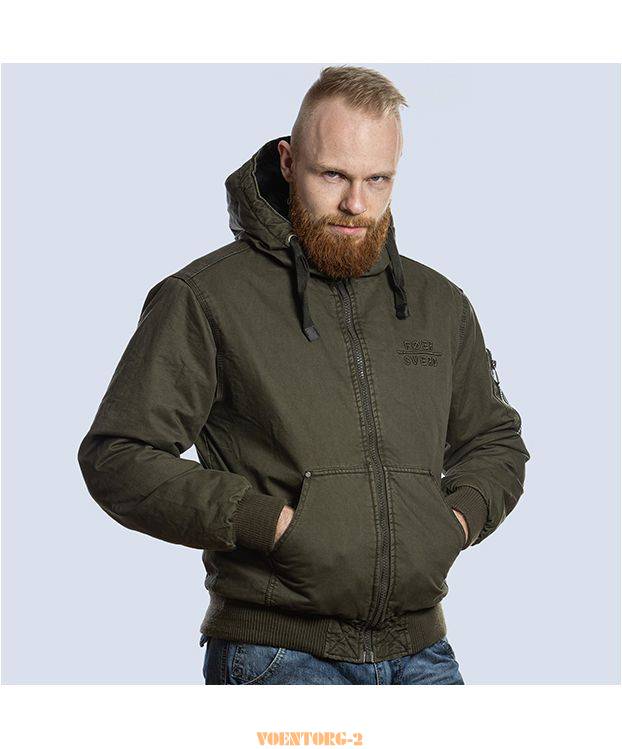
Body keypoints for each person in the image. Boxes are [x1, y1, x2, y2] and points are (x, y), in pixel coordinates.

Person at [77, 65, 530, 685]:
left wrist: (453, 524)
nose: (356, 204)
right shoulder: (205, 298)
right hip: (277, 654)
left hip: (422, 653)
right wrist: (267, 523)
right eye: (333, 175)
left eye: (377, 179)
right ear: (289, 163)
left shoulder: (439, 304)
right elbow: (118, 456)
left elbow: (495, 442)